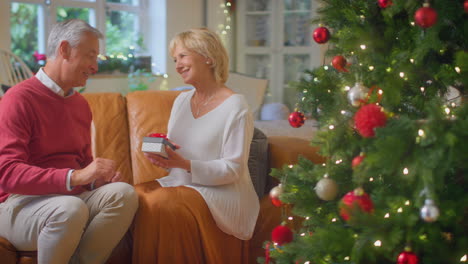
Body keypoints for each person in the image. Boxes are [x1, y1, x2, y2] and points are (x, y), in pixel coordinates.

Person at [0, 19, 138, 264]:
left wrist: (97, 180)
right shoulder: (18, 99)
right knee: (69, 209)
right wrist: (75, 177)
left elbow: (83, 164)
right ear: (64, 50)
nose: (95, 66)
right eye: (90, 56)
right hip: (18, 204)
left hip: (68, 202)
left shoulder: (80, 105)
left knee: (123, 194)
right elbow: (7, 174)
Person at [132, 28, 260, 263]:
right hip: (183, 181)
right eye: (175, 60)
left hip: (223, 192)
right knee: (138, 193)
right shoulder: (181, 100)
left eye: (182, 56)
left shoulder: (236, 106)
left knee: (162, 201)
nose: (177, 65)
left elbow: (233, 170)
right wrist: (165, 156)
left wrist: (184, 164)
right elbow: (177, 155)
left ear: (207, 56)